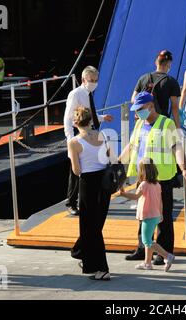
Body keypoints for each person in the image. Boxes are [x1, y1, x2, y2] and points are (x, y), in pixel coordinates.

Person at [120, 92, 186, 264]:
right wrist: (117, 163)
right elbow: (131, 146)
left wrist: (184, 168)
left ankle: (163, 251)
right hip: (143, 177)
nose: (136, 113)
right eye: (135, 110)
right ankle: (142, 248)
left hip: (162, 178)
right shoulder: (139, 124)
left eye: (140, 109)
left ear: (151, 106)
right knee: (143, 214)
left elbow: (177, 147)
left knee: (163, 215)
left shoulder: (166, 124)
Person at [68, 107, 111, 281]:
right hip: (104, 182)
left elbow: (76, 170)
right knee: (96, 225)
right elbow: (110, 157)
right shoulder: (103, 136)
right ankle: (84, 256)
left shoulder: (74, 142)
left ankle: (101, 267)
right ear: (91, 121)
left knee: (89, 226)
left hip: (88, 183)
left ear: (75, 123)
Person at [64, 66, 113, 216]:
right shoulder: (75, 94)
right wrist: (70, 138)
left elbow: (89, 113)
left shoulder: (88, 93)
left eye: (96, 80)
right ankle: (71, 202)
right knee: (76, 172)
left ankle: (87, 199)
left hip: (90, 132)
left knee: (90, 167)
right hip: (79, 137)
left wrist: (102, 117)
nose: (94, 83)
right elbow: (68, 117)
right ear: (83, 80)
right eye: (92, 80)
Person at [120, 158, 175, 272]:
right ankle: (147, 263)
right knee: (148, 239)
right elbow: (160, 201)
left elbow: (135, 197)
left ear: (143, 171)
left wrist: (124, 194)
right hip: (155, 215)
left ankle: (167, 256)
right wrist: (160, 214)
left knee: (147, 241)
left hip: (147, 216)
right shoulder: (157, 184)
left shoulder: (143, 184)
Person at [132, 50, 181, 128]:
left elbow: (133, 100)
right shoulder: (172, 81)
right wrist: (178, 127)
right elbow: (174, 106)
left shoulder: (143, 78)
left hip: (143, 121)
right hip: (161, 122)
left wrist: (140, 114)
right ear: (169, 64)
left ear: (156, 62)